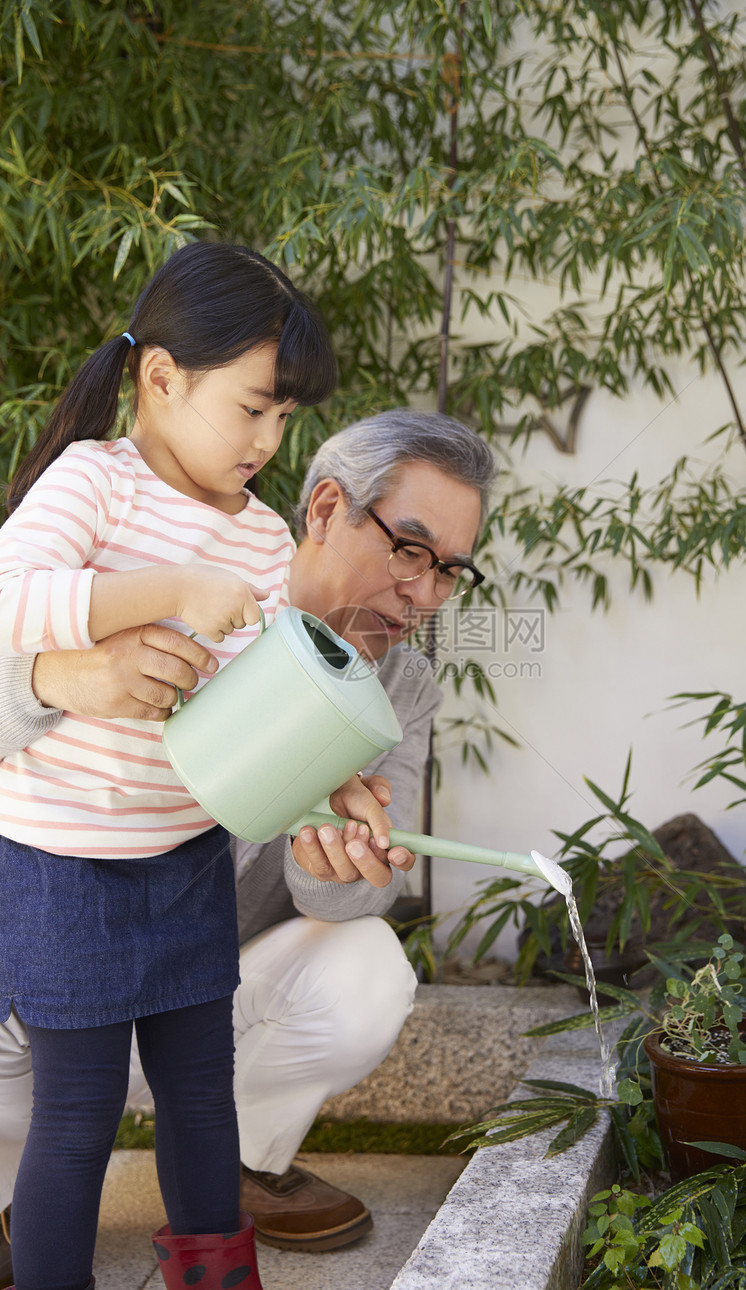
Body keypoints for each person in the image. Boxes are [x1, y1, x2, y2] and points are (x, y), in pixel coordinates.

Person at [0, 410, 497, 1275]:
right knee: (60, 1140)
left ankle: (240, 1167)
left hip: (197, 985)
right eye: (410, 550)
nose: (425, 594)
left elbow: (362, 887)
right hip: (42, 984)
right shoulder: (179, 583)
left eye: (450, 570)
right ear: (326, 508)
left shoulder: (399, 688)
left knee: (366, 964)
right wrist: (55, 676)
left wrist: (336, 865)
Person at [0, 242, 402, 1290]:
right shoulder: (94, 484)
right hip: (63, 866)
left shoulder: (268, 543)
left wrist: (334, 786)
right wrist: (167, 589)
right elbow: (9, 600)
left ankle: (217, 1277)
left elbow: (264, 712)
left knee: (200, 1096)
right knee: (77, 1116)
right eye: (252, 410)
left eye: (284, 419)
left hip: (183, 857)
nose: (270, 442)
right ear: (162, 378)